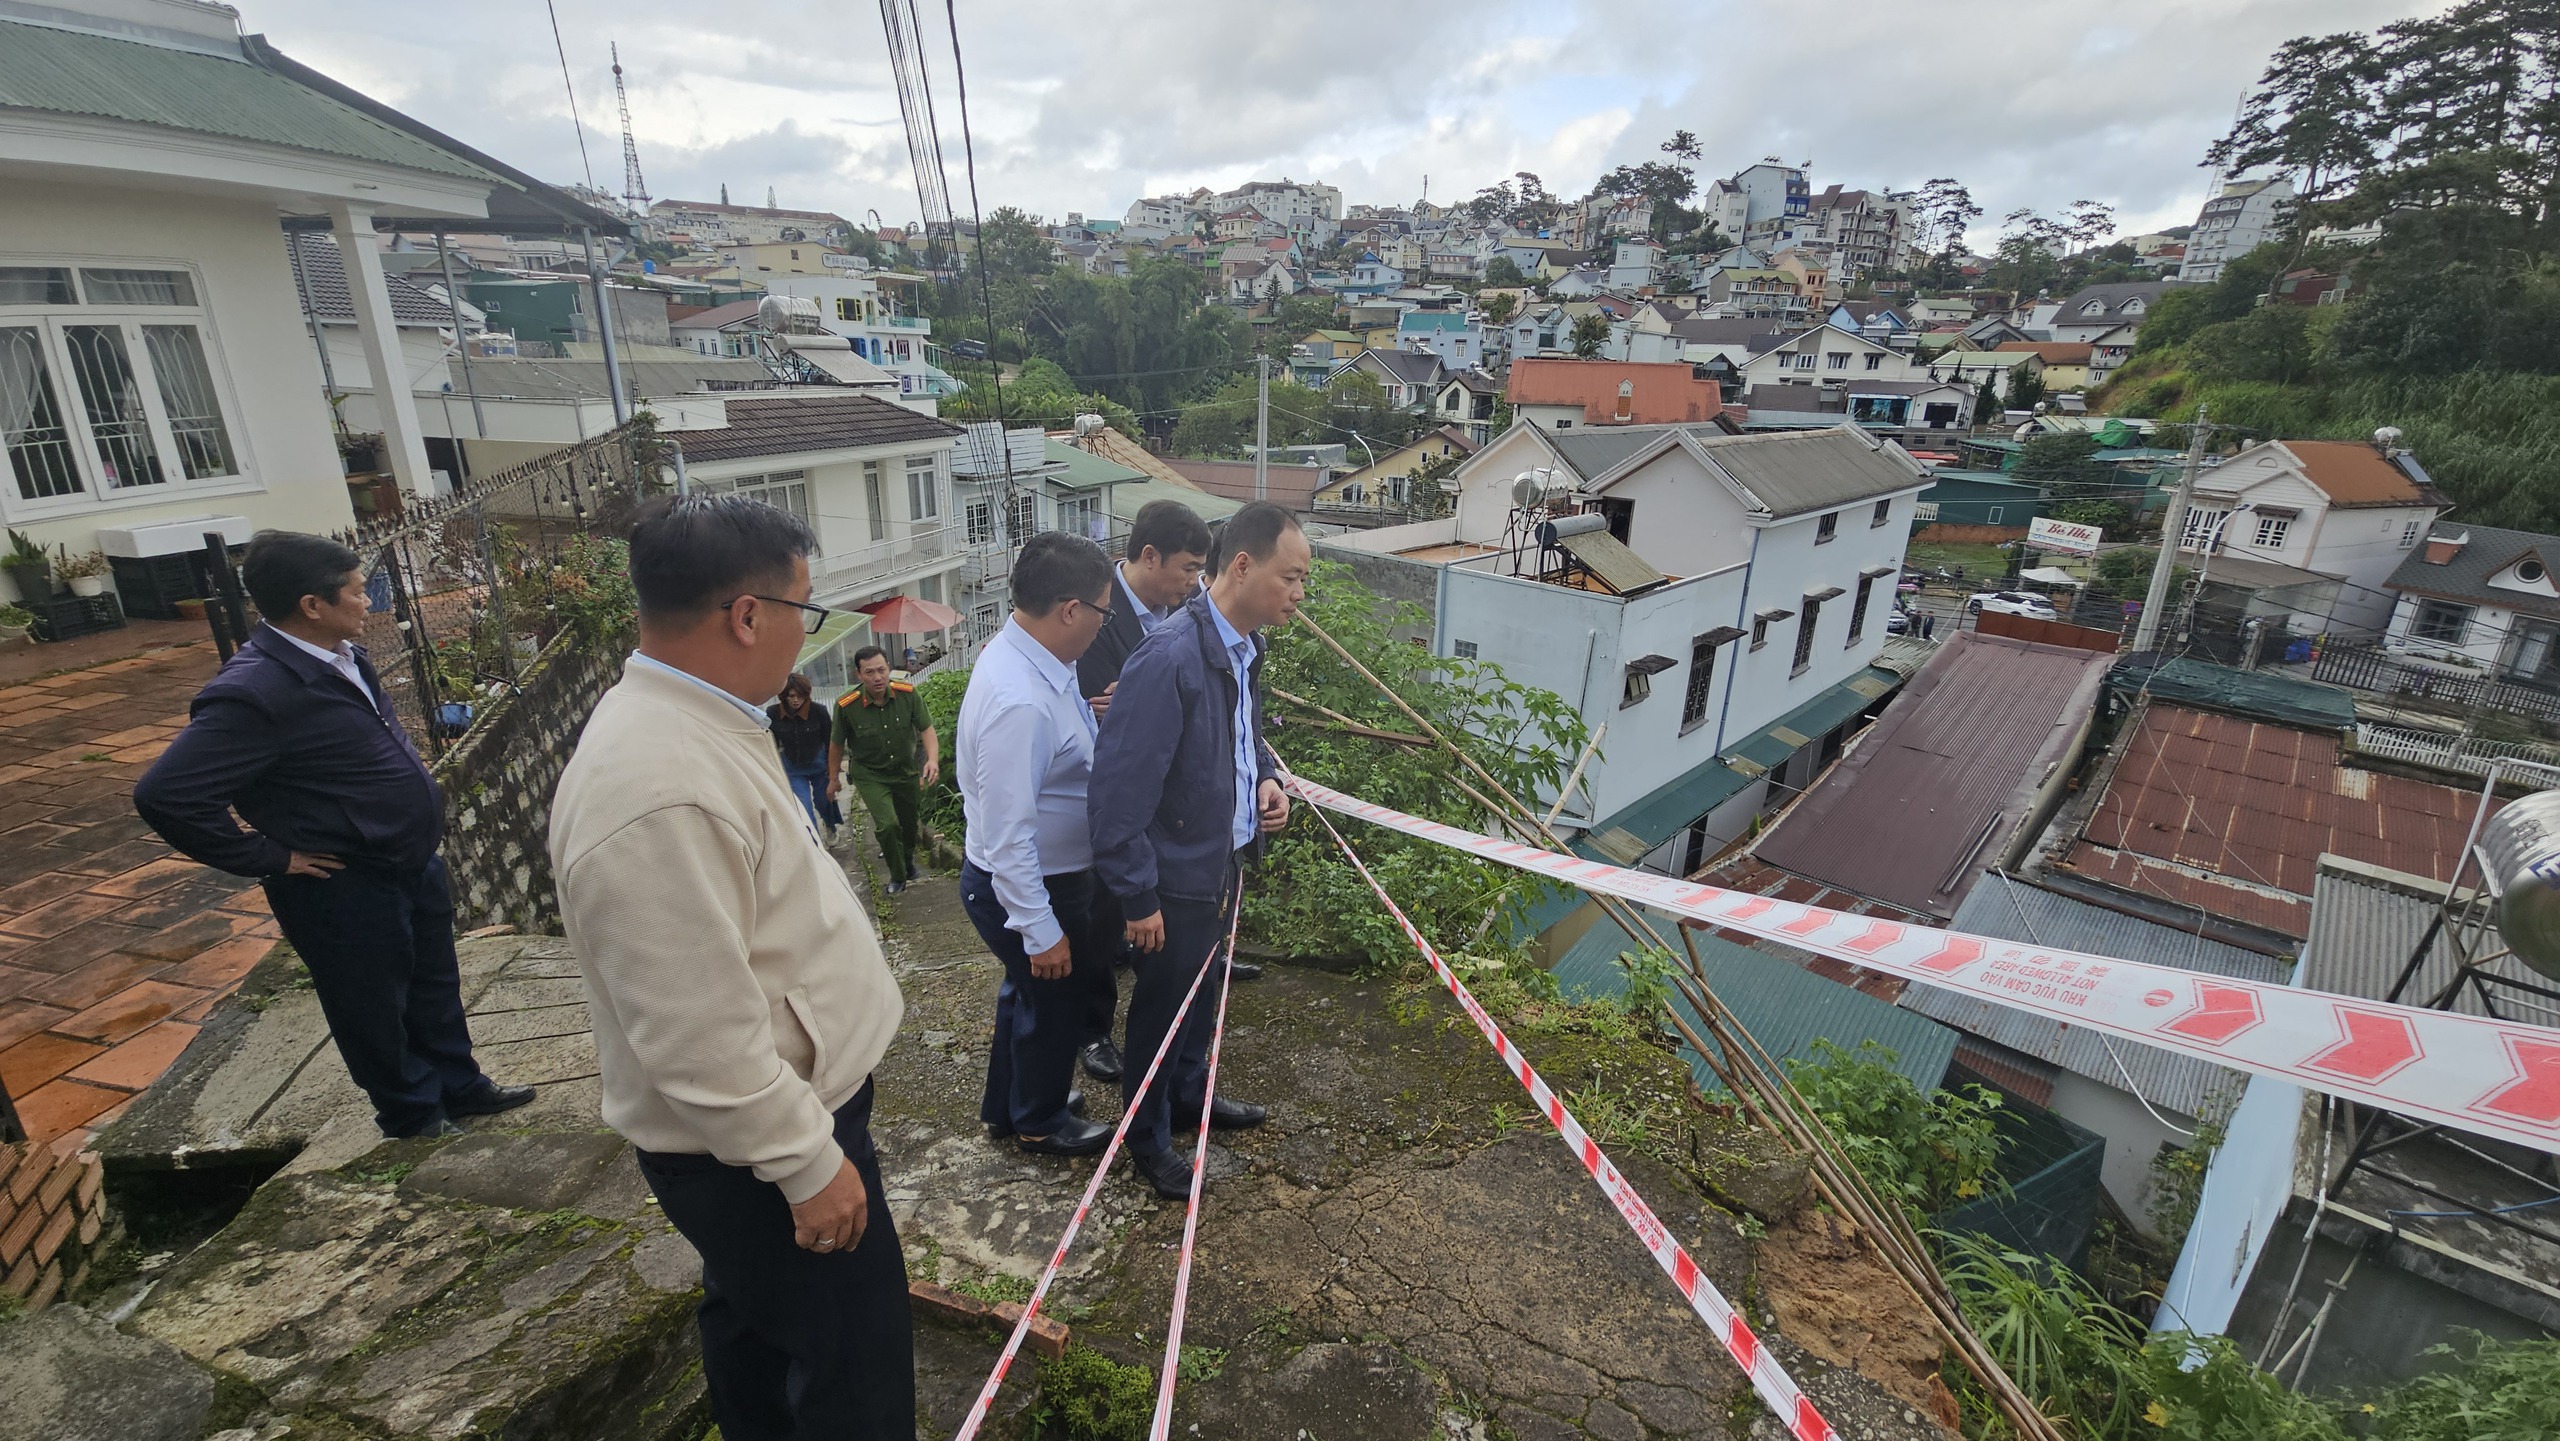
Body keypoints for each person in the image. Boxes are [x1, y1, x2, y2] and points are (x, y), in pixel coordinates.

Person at [550, 495, 910, 1441]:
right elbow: (696, 1031)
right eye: (803, 611)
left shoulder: (704, 720)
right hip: (761, 1142)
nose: (805, 634)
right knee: (852, 1360)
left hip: (768, 1127)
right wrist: (806, 1162)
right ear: (748, 615)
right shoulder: (657, 784)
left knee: (758, 1326)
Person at [134, 531, 529, 1140]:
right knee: (372, 1005)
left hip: (407, 859)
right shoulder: (256, 691)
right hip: (342, 883)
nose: (369, 601)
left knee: (433, 984)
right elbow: (166, 794)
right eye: (356, 592)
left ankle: (460, 1085)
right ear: (311, 604)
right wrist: (267, 856)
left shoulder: (343, 657)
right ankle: (412, 1115)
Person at [1088, 500, 1307, 1200]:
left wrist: (1268, 780)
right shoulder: (1169, 657)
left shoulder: (1246, 646)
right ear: (1241, 565)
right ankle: (1146, 1137)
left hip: (1222, 862)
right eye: (1291, 577)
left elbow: (1243, 735)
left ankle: (1189, 1098)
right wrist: (1139, 896)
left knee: (1204, 995)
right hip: (1176, 875)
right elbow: (1117, 793)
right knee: (1161, 1009)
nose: (1299, 594)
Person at [958, 532, 1123, 1157]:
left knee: (1026, 993)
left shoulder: (1032, 663)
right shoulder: (1020, 700)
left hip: (1046, 876)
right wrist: (1039, 926)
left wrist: (1087, 716)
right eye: (1104, 612)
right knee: (1053, 997)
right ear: (1071, 610)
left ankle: (1009, 1103)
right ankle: (1039, 1118)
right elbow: (1007, 835)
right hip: (1032, 884)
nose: (1104, 626)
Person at [1068, 499, 1241, 1088]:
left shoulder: (1185, 617)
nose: (1196, 582)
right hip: (1104, 783)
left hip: (1164, 798)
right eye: (1190, 568)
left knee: (1150, 933)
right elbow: (1075, 692)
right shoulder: (1096, 611)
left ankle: (1183, 996)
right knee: (1100, 917)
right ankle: (1092, 1029)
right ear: (1149, 556)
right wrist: (1115, 708)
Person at [830, 645, 938, 894]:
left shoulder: (908, 694)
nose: (877, 677)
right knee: (888, 825)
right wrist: (833, 778)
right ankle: (898, 876)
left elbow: (927, 729)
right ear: (859, 675)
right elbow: (836, 744)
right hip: (870, 774)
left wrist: (932, 760)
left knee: (909, 825)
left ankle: (908, 863)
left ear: (889, 668)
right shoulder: (847, 705)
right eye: (869, 672)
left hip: (904, 771)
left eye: (881, 670)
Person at [767, 673, 834, 837]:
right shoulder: (773, 713)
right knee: (803, 807)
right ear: (784, 696)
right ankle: (815, 843)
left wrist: (832, 769)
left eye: (800, 696)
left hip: (819, 765)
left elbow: (831, 740)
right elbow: (770, 742)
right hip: (793, 767)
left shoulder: (819, 711)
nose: (796, 700)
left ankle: (830, 825)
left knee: (823, 802)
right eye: (791, 696)